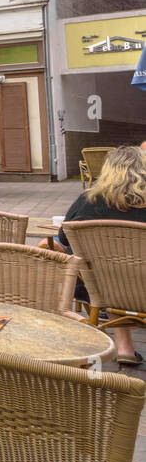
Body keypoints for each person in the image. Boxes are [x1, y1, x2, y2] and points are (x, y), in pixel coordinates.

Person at [50, 145, 146, 367]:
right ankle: (125, 346)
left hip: (102, 289)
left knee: (109, 271)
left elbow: (63, 240)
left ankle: (125, 348)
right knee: (125, 272)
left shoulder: (88, 201)